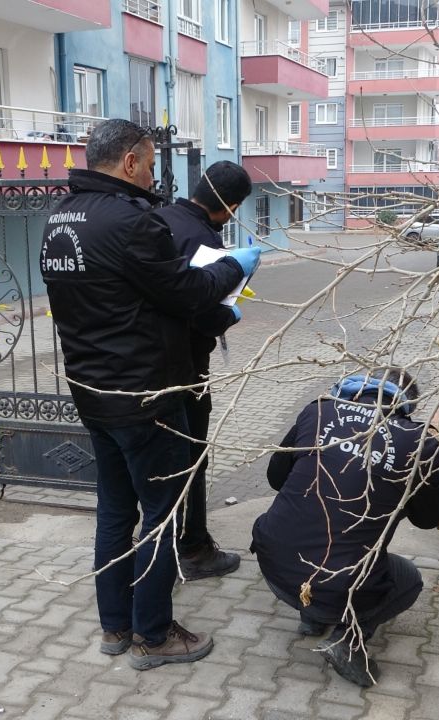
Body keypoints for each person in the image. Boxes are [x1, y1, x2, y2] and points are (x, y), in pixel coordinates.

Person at [40, 119, 262, 670]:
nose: (154, 171)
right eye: (150, 159)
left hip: (93, 391)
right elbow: (187, 291)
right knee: (160, 517)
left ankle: (115, 626)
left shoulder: (59, 220)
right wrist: (235, 265)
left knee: (115, 512)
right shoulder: (131, 222)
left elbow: (124, 298)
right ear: (131, 161)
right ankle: (154, 635)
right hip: (147, 397)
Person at [251, 367, 439, 687]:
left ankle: (312, 617)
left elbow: (275, 478)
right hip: (338, 582)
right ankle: (348, 640)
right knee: (408, 581)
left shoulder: (318, 410)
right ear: (408, 404)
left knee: (314, 531)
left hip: (273, 563)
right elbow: (427, 520)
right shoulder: (418, 442)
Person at [154, 161, 254, 581]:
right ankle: (193, 548)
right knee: (192, 458)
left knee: (160, 462)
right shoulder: (205, 239)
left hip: (145, 366)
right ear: (230, 206)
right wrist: (233, 312)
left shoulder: (157, 220)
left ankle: (163, 542)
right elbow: (203, 312)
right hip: (187, 366)